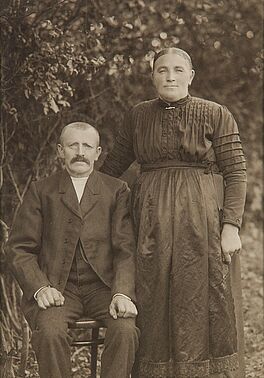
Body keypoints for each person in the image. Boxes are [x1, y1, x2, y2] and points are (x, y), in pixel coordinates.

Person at [100, 47, 247, 378]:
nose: (170, 76)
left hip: (199, 218)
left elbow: (236, 171)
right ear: (152, 76)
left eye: (178, 70)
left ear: (191, 76)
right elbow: (112, 169)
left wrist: (231, 226)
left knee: (200, 295)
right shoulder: (137, 115)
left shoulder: (215, 113)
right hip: (147, 220)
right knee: (151, 296)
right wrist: (85, 200)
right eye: (162, 70)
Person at [6, 122, 140, 378]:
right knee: (49, 331)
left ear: (98, 152)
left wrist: (122, 292)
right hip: (58, 288)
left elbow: (126, 249)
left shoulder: (116, 190)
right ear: (60, 151)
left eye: (87, 146)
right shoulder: (40, 190)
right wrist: (40, 288)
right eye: (72, 145)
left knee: (125, 330)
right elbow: (19, 249)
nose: (80, 152)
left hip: (104, 287)